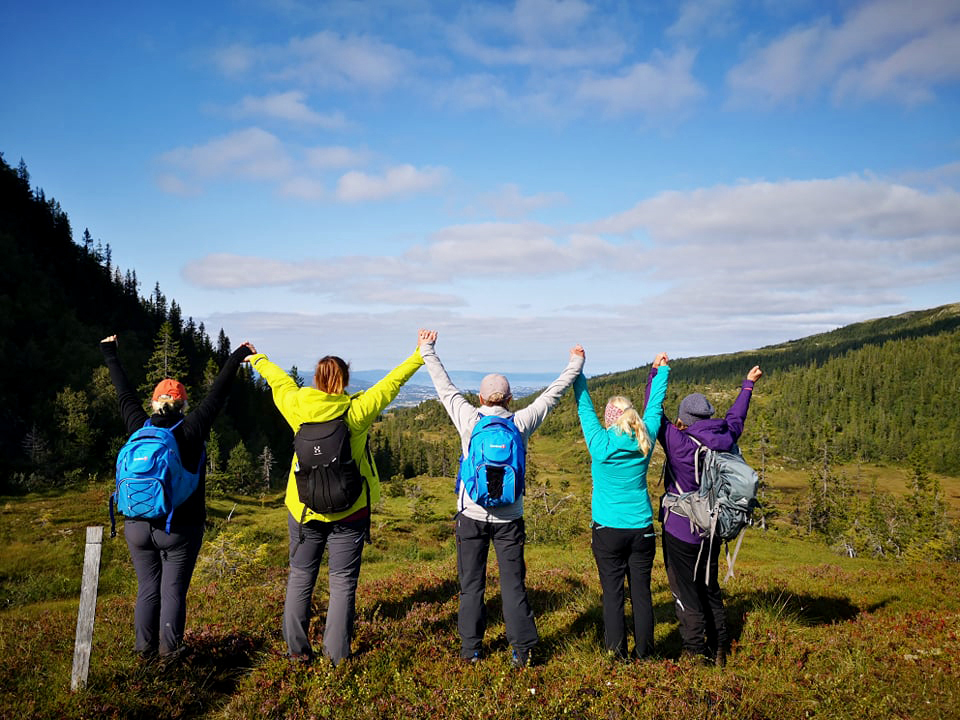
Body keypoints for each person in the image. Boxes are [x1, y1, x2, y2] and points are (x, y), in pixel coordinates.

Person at [247, 331, 429, 666]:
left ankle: (297, 653)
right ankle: (335, 657)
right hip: (351, 510)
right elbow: (390, 385)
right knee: (343, 582)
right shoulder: (355, 412)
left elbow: (279, 381)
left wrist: (257, 358)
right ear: (344, 381)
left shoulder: (296, 406)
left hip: (304, 510)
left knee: (301, 576)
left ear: (315, 381)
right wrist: (419, 355)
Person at [418, 330, 584, 668]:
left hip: (471, 515)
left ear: (481, 397)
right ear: (508, 400)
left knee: (471, 585)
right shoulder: (521, 422)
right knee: (513, 585)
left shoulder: (468, 417)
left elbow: (443, 385)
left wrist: (427, 348)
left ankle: (471, 650)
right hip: (510, 517)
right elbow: (552, 394)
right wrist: (575, 363)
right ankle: (522, 651)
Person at [100, 334, 255, 660]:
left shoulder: (138, 426)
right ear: (183, 404)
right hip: (179, 528)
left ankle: (143, 652)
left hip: (137, 523)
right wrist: (238, 354)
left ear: (154, 402)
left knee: (147, 589)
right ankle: (170, 652)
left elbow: (123, 393)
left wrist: (110, 352)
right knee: (172, 590)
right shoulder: (191, 429)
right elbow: (218, 393)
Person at [656, 364, 763, 665]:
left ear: (685, 419)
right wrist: (747, 384)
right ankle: (719, 649)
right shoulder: (726, 436)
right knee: (709, 585)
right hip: (714, 527)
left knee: (685, 591)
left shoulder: (680, 443)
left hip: (681, 529)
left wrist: (656, 373)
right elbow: (736, 416)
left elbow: (654, 411)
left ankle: (694, 653)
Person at [573, 350, 670, 661]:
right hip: (641, 529)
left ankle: (617, 655)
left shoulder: (599, 443)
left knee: (613, 596)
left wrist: (578, 369)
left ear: (609, 419)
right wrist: (660, 372)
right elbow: (655, 405)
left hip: (607, 530)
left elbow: (583, 406)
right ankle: (646, 654)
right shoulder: (646, 437)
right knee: (642, 595)